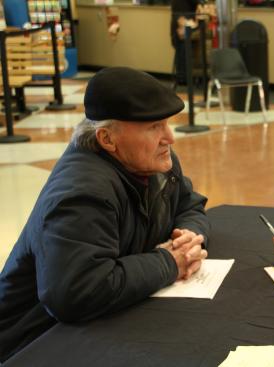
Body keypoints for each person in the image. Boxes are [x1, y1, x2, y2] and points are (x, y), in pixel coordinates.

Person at [0, 67, 210, 362]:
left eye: (166, 123)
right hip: (37, 341)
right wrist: (169, 262)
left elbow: (190, 205)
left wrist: (187, 235)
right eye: (154, 127)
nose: (169, 138)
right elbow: (75, 293)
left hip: (104, 320)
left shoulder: (155, 162)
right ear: (107, 139)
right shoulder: (81, 193)